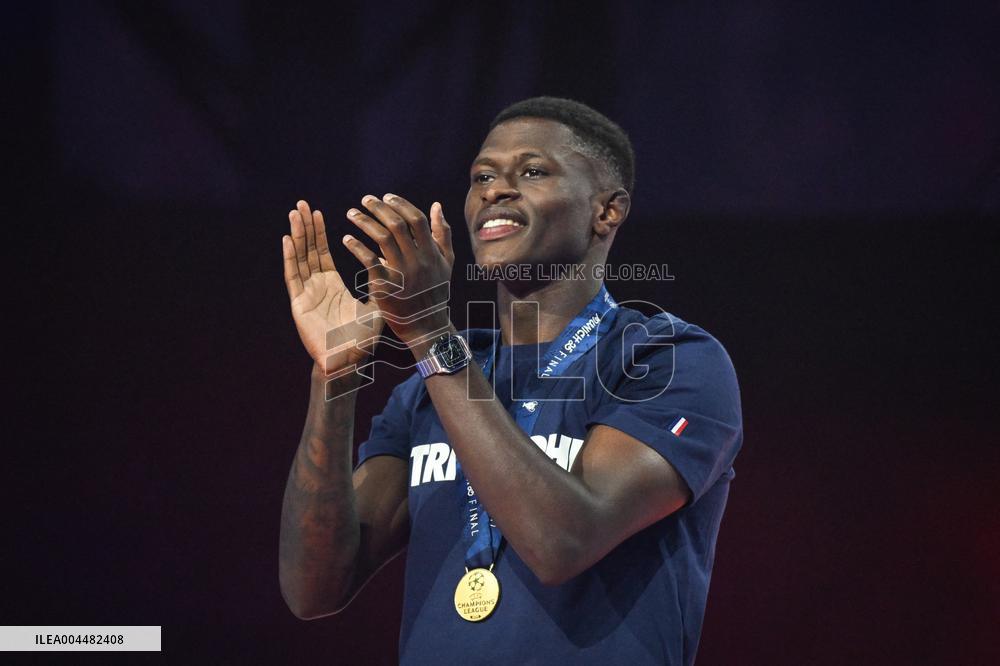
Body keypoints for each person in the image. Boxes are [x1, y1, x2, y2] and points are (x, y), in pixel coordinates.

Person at [278, 96, 743, 665]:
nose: (495, 190)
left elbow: (562, 542)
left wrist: (429, 332)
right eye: (482, 176)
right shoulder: (427, 389)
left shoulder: (666, 359)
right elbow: (314, 588)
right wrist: (335, 375)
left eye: (532, 171)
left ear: (607, 211)